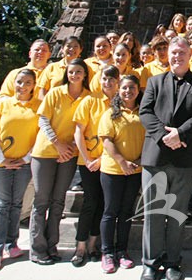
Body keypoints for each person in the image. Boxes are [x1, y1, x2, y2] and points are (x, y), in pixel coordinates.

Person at [139, 36, 192, 280]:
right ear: (167, 55)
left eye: (182, 52)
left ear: (189, 55)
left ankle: (172, 261)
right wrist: (164, 136)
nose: (177, 56)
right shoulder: (154, 81)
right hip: (156, 157)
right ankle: (150, 263)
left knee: (177, 213)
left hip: (186, 157)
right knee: (153, 213)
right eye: (173, 52)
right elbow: (145, 112)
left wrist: (181, 133)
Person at [30, 58, 92, 265]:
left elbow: (87, 127)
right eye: (72, 72)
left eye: (79, 72)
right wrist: (58, 144)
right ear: (67, 73)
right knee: (41, 201)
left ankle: (52, 246)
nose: (75, 75)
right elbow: (43, 119)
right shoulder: (56, 92)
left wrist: (71, 149)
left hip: (70, 154)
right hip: (46, 151)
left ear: (85, 74)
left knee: (58, 203)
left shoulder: (88, 97)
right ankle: (37, 249)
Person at [0, 69, 40, 271]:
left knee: (16, 204)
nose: (23, 86)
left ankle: (12, 243)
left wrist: (24, 158)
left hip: (24, 163)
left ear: (34, 85)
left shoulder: (37, 107)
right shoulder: (3, 105)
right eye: (19, 82)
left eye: (27, 83)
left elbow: (39, 136)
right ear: (14, 83)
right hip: (1, 164)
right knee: (2, 206)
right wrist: (3, 159)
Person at [70, 64, 120, 267]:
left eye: (112, 79)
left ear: (118, 81)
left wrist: (102, 159)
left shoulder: (119, 104)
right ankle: (80, 247)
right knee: (90, 203)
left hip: (108, 162)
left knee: (102, 204)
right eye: (104, 79)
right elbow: (78, 132)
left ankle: (93, 245)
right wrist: (88, 158)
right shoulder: (89, 100)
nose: (107, 82)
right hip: (88, 162)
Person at [98, 74, 146, 273]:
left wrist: (139, 161)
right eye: (125, 88)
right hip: (113, 170)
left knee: (127, 212)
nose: (128, 91)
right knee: (111, 211)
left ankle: (122, 251)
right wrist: (122, 162)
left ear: (138, 90)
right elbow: (106, 140)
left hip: (136, 170)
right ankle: (107, 252)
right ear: (119, 90)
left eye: (132, 88)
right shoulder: (111, 113)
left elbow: (150, 138)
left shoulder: (144, 112)